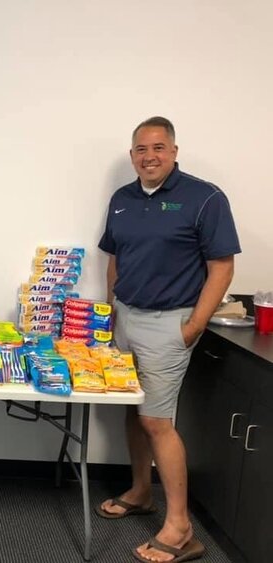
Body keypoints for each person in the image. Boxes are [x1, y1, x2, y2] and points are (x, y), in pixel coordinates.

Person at [97, 116, 240, 563]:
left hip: (170, 323)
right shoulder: (122, 199)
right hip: (125, 318)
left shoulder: (205, 198)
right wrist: (110, 310)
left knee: (157, 421)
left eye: (158, 148)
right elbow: (115, 260)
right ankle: (141, 491)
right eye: (141, 149)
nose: (149, 156)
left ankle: (181, 528)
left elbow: (222, 267)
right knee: (131, 411)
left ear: (174, 151)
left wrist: (193, 325)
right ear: (132, 154)